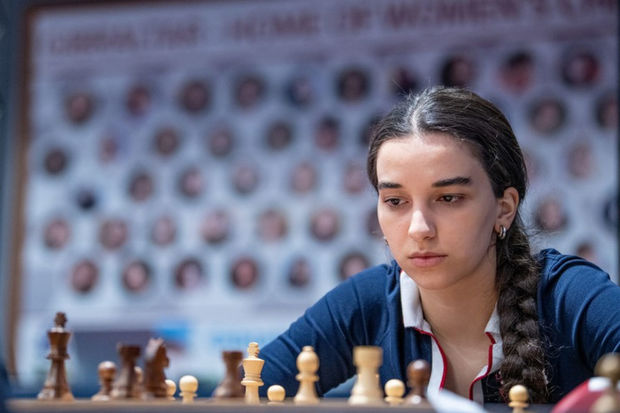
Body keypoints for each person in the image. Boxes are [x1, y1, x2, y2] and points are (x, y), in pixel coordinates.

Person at [258, 86, 620, 404]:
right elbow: (247, 391)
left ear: (504, 208)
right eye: (395, 201)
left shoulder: (572, 297)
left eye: (448, 198)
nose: (419, 229)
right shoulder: (367, 302)